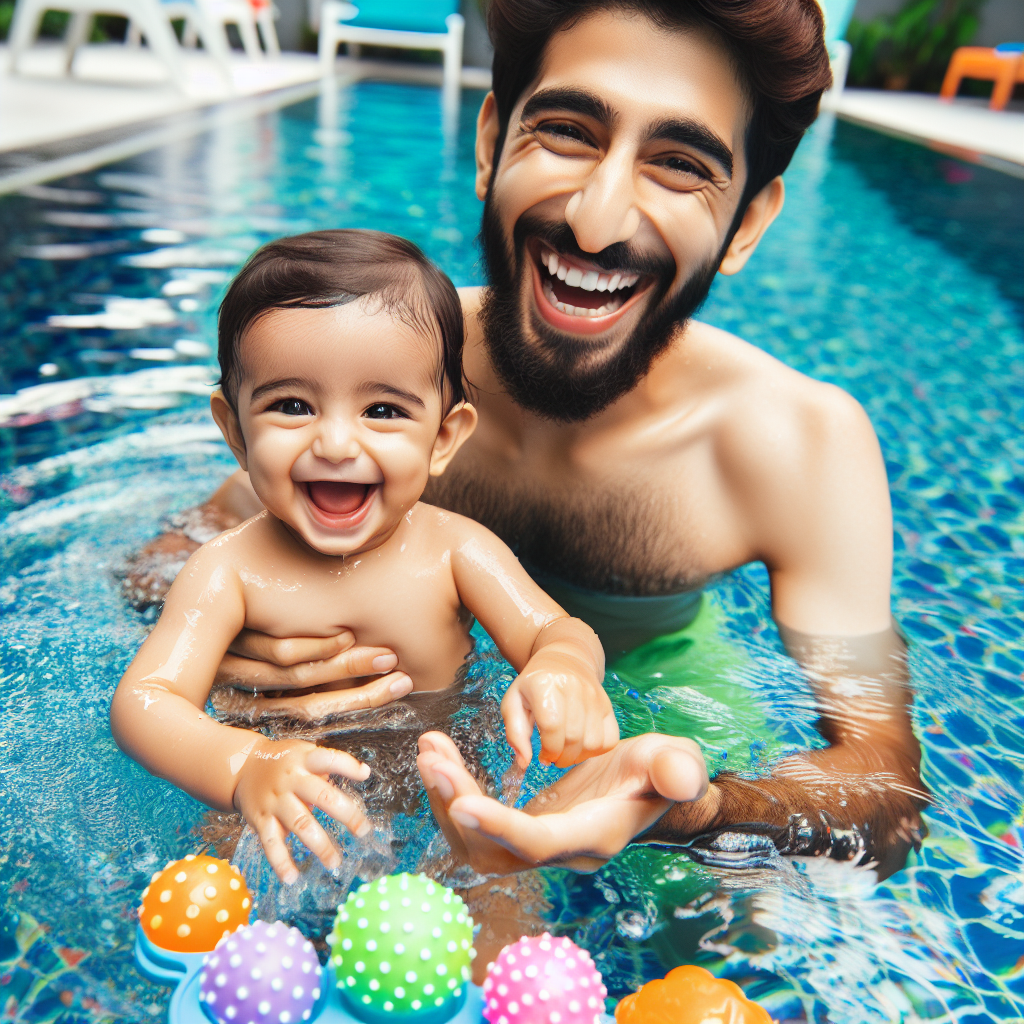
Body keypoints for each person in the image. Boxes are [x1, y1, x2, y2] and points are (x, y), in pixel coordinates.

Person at [123, 0, 926, 880]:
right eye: (569, 132)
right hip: (358, 744)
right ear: (491, 142)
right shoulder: (371, 376)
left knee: (727, 934)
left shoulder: (797, 446)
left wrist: (692, 814)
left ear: (748, 223)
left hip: (656, 674)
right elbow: (179, 554)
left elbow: (886, 794)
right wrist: (238, 658)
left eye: (680, 164)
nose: (597, 219)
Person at [111, 230, 679, 886]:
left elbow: (557, 629)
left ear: (444, 438)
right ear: (235, 430)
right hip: (276, 807)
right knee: (217, 903)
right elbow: (146, 700)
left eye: (382, 410)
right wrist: (241, 767)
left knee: (500, 894)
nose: (335, 441)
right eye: (291, 405)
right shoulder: (226, 570)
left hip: (449, 812)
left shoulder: (456, 550)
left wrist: (563, 670)